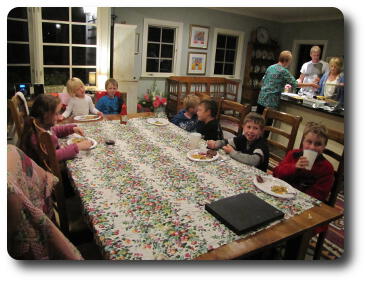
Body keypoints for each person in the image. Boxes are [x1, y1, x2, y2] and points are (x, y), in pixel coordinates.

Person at [7, 144, 83, 260]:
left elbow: (54, 134)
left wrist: (70, 128)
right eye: (56, 123)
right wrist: (76, 146)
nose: (56, 124)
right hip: (49, 217)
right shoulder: (35, 138)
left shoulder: (43, 131)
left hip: (44, 203)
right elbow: (53, 155)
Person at [19, 94, 92, 167]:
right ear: (45, 115)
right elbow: (53, 157)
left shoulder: (39, 124)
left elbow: (54, 130)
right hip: (47, 169)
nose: (60, 116)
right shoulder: (40, 137)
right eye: (56, 113)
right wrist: (77, 147)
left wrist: (71, 128)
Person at [273, 122, 334, 202]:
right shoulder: (293, 154)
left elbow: (319, 195)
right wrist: (294, 167)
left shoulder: (326, 168)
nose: (312, 147)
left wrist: (296, 199)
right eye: (309, 141)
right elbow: (276, 173)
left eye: (318, 144)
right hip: (282, 194)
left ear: (324, 147)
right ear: (303, 142)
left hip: (303, 202)